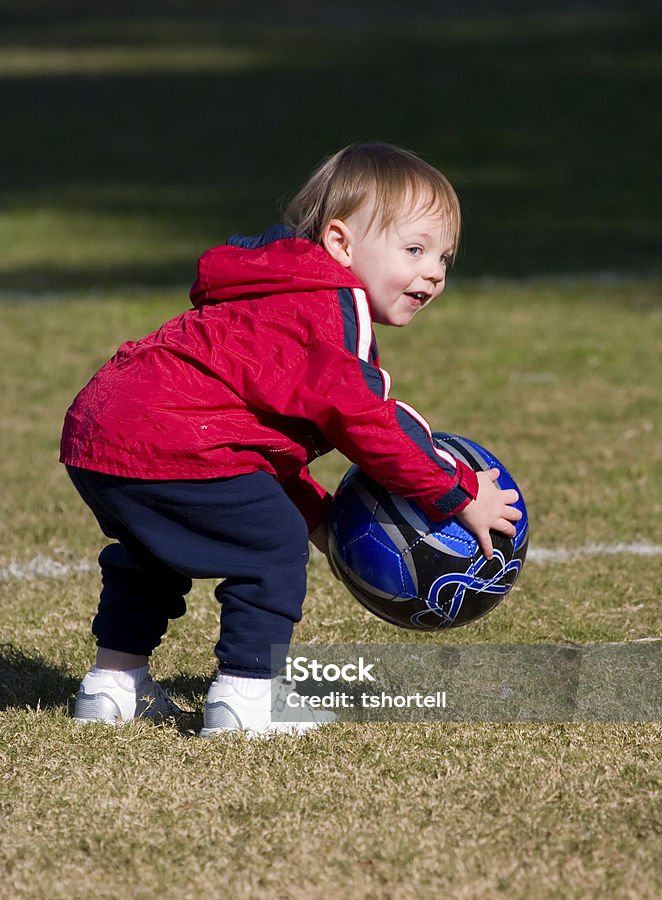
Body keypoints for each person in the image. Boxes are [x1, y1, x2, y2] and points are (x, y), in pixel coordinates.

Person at [60, 142, 521, 736]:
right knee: (271, 546)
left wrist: (318, 516)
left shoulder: (278, 292)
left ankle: (113, 685)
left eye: (444, 258)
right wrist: (458, 493)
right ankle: (247, 697)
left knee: (154, 550)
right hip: (174, 435)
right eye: (414, 249)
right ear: (340, 243)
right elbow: (369, 420)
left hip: (106, 428)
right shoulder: (332, 303)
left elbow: (256, 443)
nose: (433, 271)